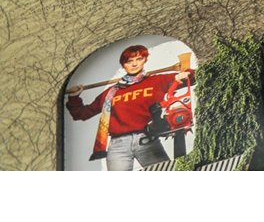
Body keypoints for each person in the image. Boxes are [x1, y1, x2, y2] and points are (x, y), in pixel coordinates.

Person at [64, 44, 193, 170]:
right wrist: (74, 97)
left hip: (147, 139)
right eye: (129, 61)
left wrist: (185, 74)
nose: (134, 64)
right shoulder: (111, 92)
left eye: (139, 59)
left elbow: (191, 78)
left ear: (145, 60)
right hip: (117, 146)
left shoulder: (157, 81)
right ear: (123, 65)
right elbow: (82, 113)